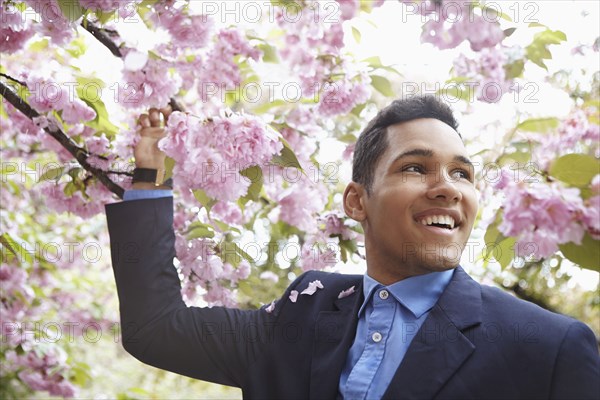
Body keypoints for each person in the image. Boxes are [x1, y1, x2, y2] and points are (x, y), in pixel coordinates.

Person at [105, 95, 600, 399]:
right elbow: (155, 329)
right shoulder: (301, 314)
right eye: (415, 167)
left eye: (462, 173)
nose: (448, 187)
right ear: (357, 201)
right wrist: (150, 175)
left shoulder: (548, 346)